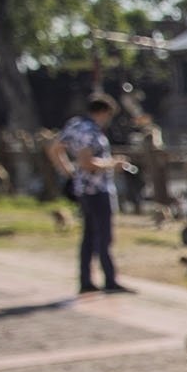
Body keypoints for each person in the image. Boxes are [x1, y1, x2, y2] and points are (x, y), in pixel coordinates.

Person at [47, 94, 131, 294]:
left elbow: (54, 149)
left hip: (82, 189)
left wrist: (68, 172)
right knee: (104, 236)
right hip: (97, 188)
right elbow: (87, 162)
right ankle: (109, 279)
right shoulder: (90, 131)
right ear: (103, 112)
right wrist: (113, 164)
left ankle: (86, 280)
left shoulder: (75, 125)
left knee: (89, 236)